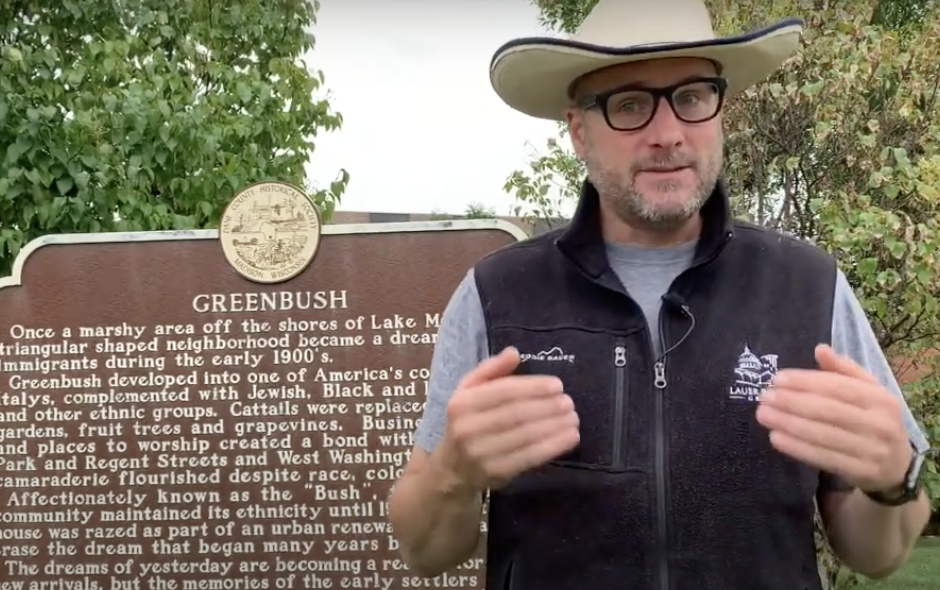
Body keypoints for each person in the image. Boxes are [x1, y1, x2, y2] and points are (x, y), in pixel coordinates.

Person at [387, 0, 932, 588]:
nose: (668, 134)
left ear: (721, 112)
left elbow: (876, 554)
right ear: (578, 132)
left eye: (692, 97)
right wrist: (452, 475)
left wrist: (893, 483)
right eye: (629, 105)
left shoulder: (809, 287)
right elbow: (426, 552)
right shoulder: (497, 294)